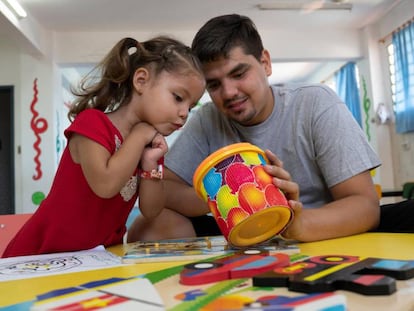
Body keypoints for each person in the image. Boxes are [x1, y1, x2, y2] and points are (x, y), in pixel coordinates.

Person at [127, 14, 382, 243]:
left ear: (266, 63)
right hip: (239, 234)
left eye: (239, 74)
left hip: (313, 234)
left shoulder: (316, 103)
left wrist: (297, 224)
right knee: (148, 227)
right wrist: (221, 194)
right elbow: (164, 190)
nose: (228, 92)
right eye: (214, 85)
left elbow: (365, 206)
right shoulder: (208, 118)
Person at [2, 36, 205, 258]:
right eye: (178, 98)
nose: (184, 113)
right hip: (42, 255)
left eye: (191, 106)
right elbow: (105, 184)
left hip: (97, 258)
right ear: (141, 80)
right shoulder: (93, 124)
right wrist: (138, 136)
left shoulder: (150, 146)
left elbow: (151, 210)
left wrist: (150, 163)